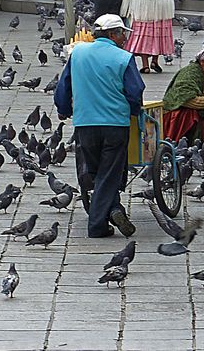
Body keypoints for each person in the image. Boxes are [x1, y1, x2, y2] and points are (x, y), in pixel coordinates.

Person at [54, 14, 144, 238]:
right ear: (113, 34)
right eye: (122, 33)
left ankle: (113, 208)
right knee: (110, 173)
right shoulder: (123, 57)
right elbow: (135, 91)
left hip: (85, 123)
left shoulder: (78, 53)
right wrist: (134, 110)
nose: (125, 38)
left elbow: (63, 86)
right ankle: (98, 224)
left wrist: (64, 109)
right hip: (115, 124)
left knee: (95, 172)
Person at [162, 46, 204, 143]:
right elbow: (184, 99)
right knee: (189, 115)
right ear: (202, 62)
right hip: (178, 113)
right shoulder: (189, 74)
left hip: (202, 113)